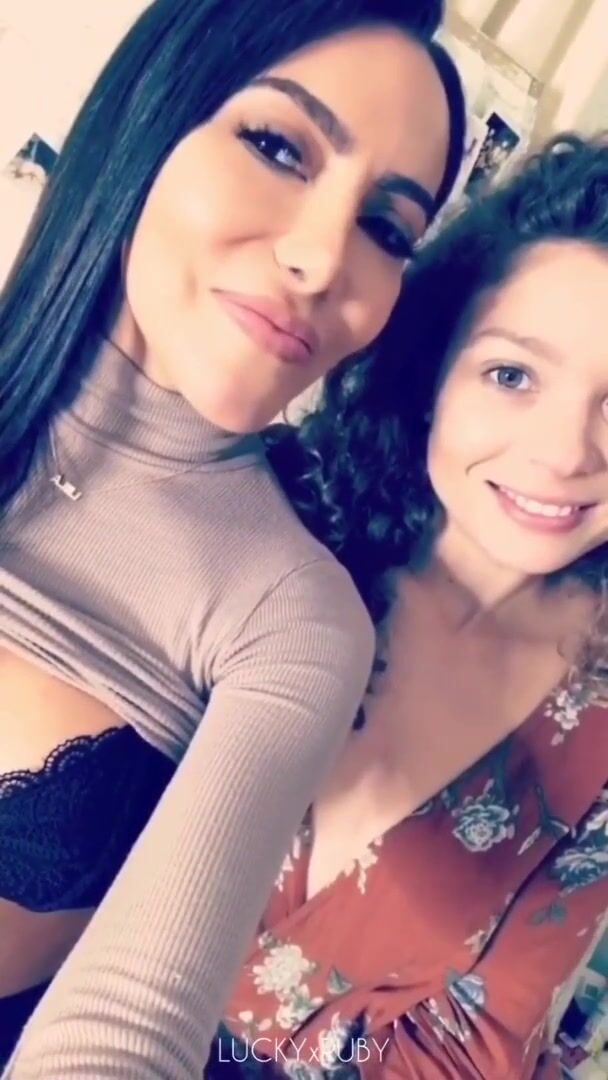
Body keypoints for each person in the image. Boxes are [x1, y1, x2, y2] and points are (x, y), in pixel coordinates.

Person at [0, 0, 466, 1075]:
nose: (321, 258)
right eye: (278, 148)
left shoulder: (293, 621)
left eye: (386, 230)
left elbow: (129, 1028)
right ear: (151, 119)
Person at [211, 135, 608, 1079]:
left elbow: (478, 1050)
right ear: (435, 371)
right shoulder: (269, 513)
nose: (565, 453)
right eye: (512, 375)